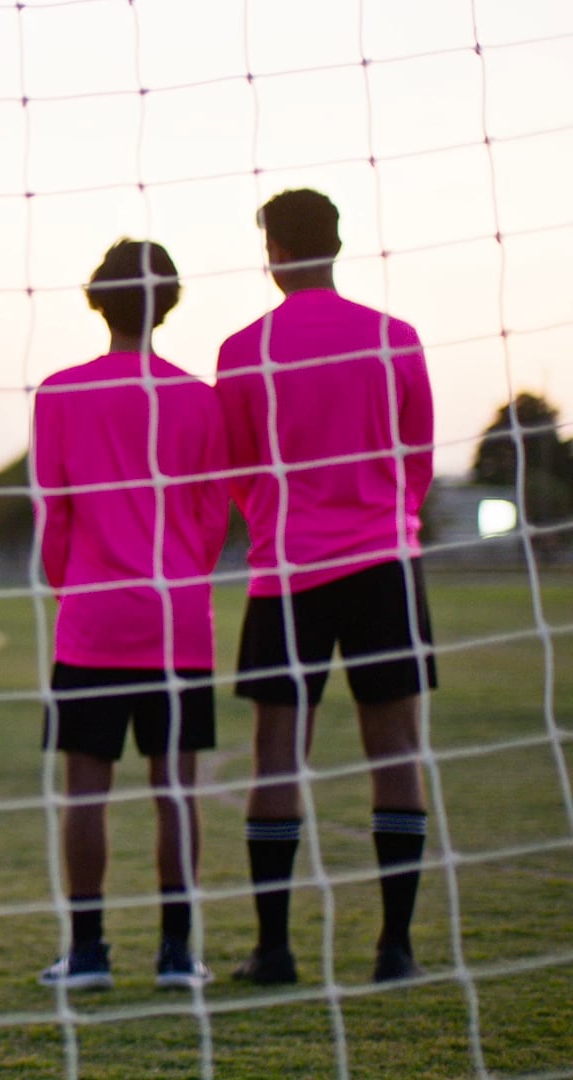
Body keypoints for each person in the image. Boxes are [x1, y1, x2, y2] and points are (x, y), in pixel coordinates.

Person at [216, 189, 436, 985]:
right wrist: (384, 520)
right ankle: (395, 951)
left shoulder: (243, 350)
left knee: (276, 756)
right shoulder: (394, 338)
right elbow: (418, 460)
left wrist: (279, 519)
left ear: (271, 251)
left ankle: (274, 950)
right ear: (338, 244)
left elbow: (236, 468)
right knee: (397, 750)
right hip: (385, 564)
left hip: (286, 572)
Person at [31, 240, 229, 991]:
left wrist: (70, 588)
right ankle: (178, 954)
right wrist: (181, 577)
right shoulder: (200, 397)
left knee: (87, 789)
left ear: (96, 299)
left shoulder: (59, 393)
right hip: (179, 622)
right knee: (175, 790)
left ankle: (86, 954)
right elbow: (215, 513)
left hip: (92, 621)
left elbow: (56, 515)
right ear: (169, 303)